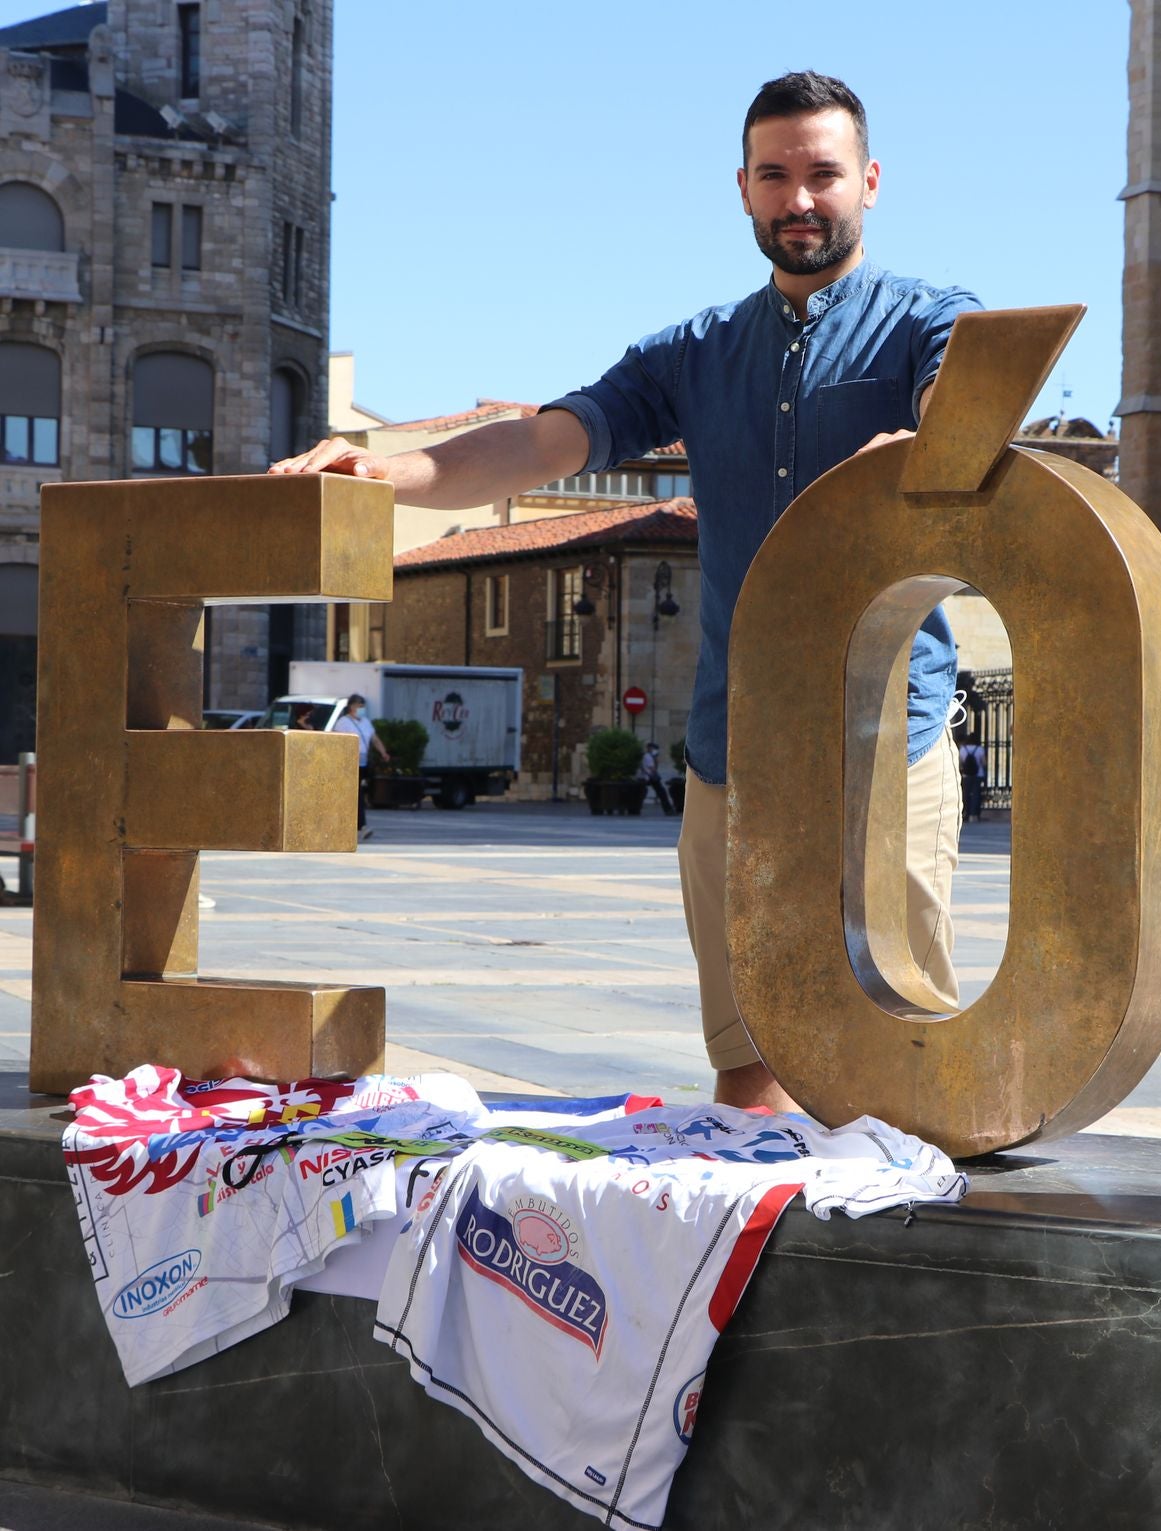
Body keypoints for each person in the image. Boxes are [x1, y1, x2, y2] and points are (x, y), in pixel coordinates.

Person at [270, 70, 981, 1112]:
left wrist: (927, 437)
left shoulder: (925, 319)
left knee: (903, 1065)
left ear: (869, 182)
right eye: (775, 175)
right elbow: (541, 442)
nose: (800, 200)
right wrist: (390, 470)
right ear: (741, 188)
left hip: (890, 741)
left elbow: (963, 390)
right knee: (747, 1069)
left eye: (824, 174)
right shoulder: (691, 354)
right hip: (733, 748)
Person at [333, 693, 390, 841]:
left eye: (363, 706)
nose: (362, 709)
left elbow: (374, 739)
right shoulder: (343, 723)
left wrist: (383, 752)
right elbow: (336, 742)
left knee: (357, 795)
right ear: (351, 707)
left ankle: (355, 826)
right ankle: (361, 826)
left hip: (363, 764)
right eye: (359, 706)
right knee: (355, 795)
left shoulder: (366, 722)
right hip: (348, 764)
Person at [638, 742, 675, 815]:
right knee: (662, 793)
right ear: (649, 748)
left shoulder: (648, 756)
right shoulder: (648, 757)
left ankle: (668, 810)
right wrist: (655, 760)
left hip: (649, 777)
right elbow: (653, 769)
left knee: (661, 792)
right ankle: (668, 810)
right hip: (650, 778)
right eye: (653, 748)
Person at [959, 732, 986, 822]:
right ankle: (974, 815)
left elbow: (960, 762)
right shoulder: (980, 749)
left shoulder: (963, 749)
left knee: (965, 794)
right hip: (978, 774)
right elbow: (983, 762)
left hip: (966, 775)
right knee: (976, 795)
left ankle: (965, 812)